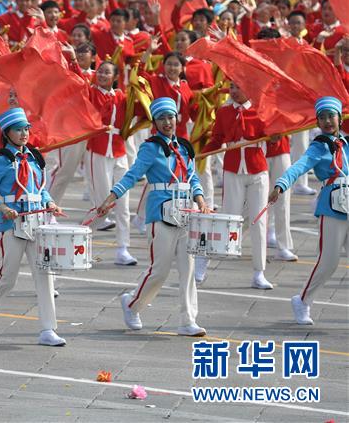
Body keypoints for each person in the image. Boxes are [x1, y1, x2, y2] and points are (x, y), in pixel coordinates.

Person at [97, 97, 210, 337]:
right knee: (160, 269)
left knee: (187, 269)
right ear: (155, 123)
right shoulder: (150, 147)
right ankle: (132, 304)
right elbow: (132, 174)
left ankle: (188, 320)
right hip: (160, 213)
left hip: (184, 212)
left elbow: (193, 177)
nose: (167, 122)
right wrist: (111, 197)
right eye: (162, 118)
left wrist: (200, 199)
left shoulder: (184, 147)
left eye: (170, 117)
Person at [0, 107, 66, 347]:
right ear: (7, 133)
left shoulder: (34, 157)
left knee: (44, 275)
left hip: (37, 223)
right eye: (18, 129)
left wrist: (50, 203)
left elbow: (40, 188)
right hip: (11, 224)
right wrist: (1, 208)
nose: (24, 133)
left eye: (26, 129)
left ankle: (48, 329)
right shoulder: (0, 159)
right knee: (8, 277)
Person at [269, 96, 349, 326]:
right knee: (329, 261)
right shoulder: (318, 146)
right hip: (332, 206)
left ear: (339, 118)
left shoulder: (346, 143)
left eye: (331, 116)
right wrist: (281, 185)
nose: (327, 121)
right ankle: (303, 300)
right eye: (322, 118)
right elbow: (299, 167)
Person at [197, 83, 273, 290]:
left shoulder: (261, 110)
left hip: (257, 171)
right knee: (228, 219)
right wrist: (200, 154)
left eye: (239, 86)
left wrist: (277, 135)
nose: (234, 91)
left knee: (259, 222)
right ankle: (204, 260)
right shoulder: (223, 112)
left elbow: (274, 138)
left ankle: (259, 272)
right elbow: (217, 139)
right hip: (232, 170)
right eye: (231, 87)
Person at [86, 61, 136, 266]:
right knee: (102, 204)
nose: (103, 75)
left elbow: (141, 106)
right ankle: (81, 242)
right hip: (97, 151)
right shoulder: (90, 93)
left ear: (115, 77)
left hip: (119, 151)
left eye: (107, 72)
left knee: (123, 204)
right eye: (100, 71)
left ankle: (123, 249)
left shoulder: (123, 97)